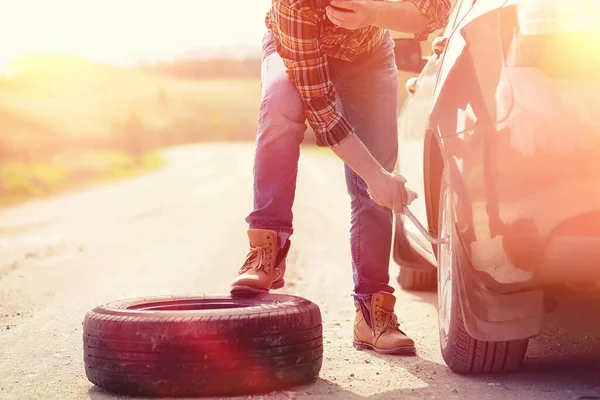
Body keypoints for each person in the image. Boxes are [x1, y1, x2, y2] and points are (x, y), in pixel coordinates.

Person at [231, 0, 450, 355]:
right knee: (280, 104)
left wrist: (375, 13)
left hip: (370, 55)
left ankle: (372, 312)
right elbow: (321, 109)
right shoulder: (293, 5)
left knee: (377, 172)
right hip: (297, 49)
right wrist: (375, 175)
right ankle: (266, 249)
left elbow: (436, 10)